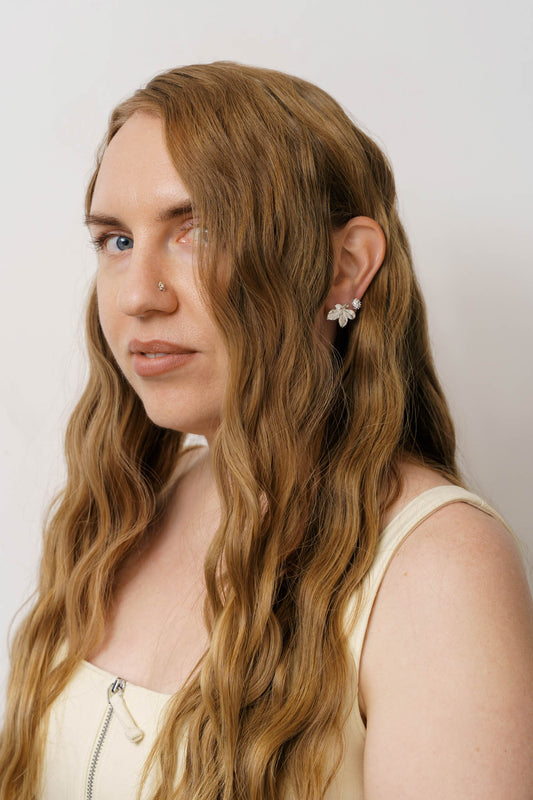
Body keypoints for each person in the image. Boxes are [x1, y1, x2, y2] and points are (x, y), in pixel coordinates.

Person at [1, 61, 532, 800]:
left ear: (345, 267)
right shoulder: (131, 509)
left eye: (198, 231)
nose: (138, 296)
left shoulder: (437, 565)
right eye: (116, 241)